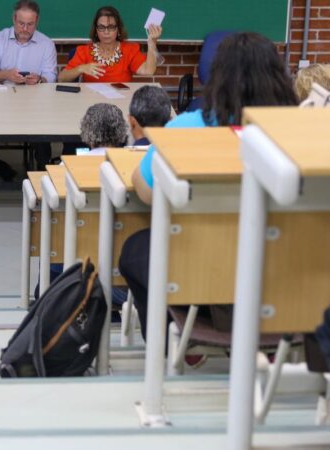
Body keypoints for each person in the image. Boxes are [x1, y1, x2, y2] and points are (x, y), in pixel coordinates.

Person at [118, 32, 298, 347]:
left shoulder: (186, 128)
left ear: (218, 78)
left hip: (204, 271)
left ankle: (173, 344)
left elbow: (146, 191)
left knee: (135, 250)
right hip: (286, 276)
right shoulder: (301, 134)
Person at [0, 0, 58, 179]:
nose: (25, 29)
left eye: (30, 24)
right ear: (13, 19)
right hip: (0, 100)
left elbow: (51, 75)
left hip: (33, 102)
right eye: (21, 23)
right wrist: (7, 75)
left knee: (43, 129)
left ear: (37, 22)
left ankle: (42, 172)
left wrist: (40, 79)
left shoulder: (46, 43)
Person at [59, 6, 162, 83]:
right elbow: (61, 78)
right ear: (96, 30)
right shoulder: (84, 51)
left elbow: (148, 71)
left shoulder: (129, 50)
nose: (106, 32)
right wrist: (80, 68)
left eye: (111, 27)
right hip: (91, 103)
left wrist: (152, 42)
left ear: (118, 29)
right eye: (102, 27)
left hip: (121, 103)